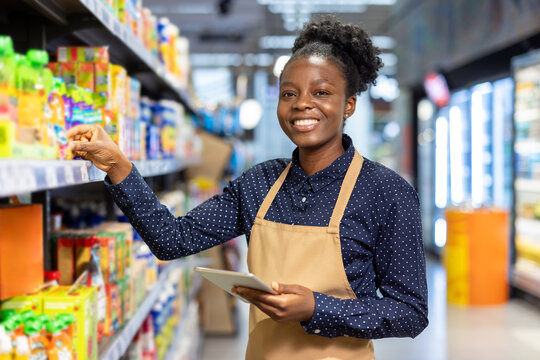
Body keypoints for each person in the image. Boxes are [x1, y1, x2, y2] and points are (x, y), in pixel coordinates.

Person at [67, 18, 428, 360]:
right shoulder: (261, 183)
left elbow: (410, 311)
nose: (302, 102)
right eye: (289, 93)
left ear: (348, 104)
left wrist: (318, 308)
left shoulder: (385, 192)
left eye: (321, 92)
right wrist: (117, 165)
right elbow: (171, 239)